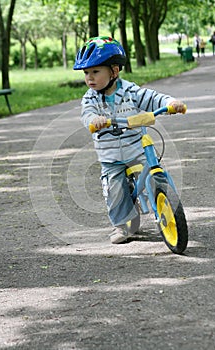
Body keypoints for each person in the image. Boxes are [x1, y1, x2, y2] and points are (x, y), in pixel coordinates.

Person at [73, 36, 186, 244]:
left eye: (95, 71)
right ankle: (121, 226)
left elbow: (152, 97)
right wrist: (94, 119)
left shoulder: (130, 91)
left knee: (156, 175)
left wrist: (171, 102)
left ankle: (166, 205)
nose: (89, 77)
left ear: (114, 71)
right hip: (111, 156)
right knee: (115, 190)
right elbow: (86, 114)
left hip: (136, 148)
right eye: (86, 73)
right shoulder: (90, 98)